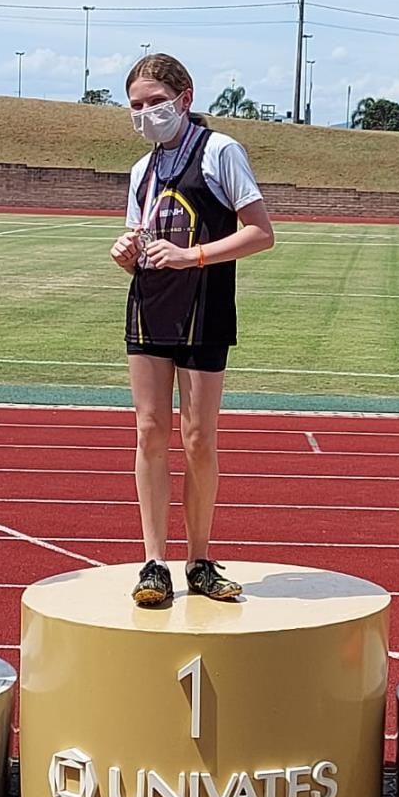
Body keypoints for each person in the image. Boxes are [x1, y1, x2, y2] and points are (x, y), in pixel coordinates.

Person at [109, 54, 275, 607]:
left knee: (199, 437)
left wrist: (194, 256)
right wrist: (125, 251)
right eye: (135, 106)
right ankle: (153, 561)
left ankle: (199, 558)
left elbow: (259, 233)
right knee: (149, 431)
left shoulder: (219, 151)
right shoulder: (142, 169)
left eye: (154, 101)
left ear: (184, 97)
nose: (145, 113)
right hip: (149, 304)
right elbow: (140, 237)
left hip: (205, 305)